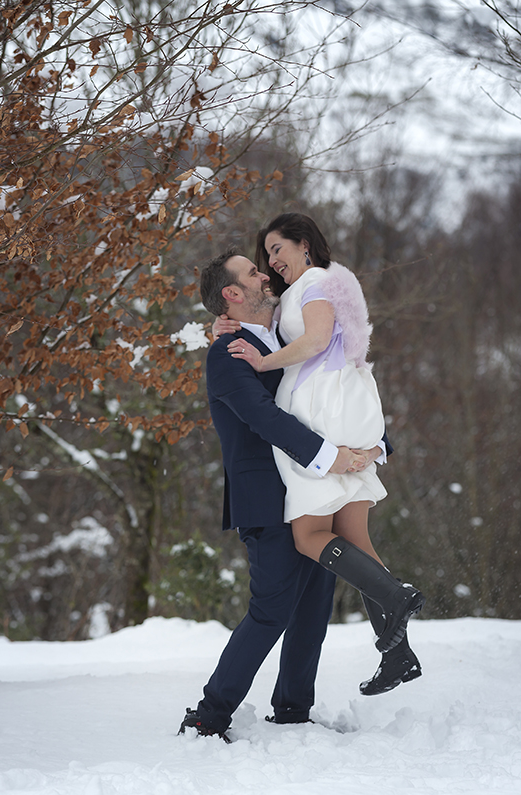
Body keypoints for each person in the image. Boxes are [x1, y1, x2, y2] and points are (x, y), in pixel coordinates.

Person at [216, 213, 423, 697]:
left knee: (309, 535)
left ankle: (398, 596)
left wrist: (263, 360)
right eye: (265, 255)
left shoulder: (317, 281)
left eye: (277, 248)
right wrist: (224, 321)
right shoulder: (318, 284)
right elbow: (275, 320)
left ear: (304, 244)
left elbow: (311, 340)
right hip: (342, 408)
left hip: (321, 414)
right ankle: (396, 654)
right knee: (355, 539)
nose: (272, 261)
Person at [179, 248, 378, 742]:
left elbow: (339, 391)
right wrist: (329, 456)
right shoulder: (226, 353)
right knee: (271, 609)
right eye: (253, 272)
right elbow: (264, 418)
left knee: (313, 609)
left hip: (312, 495)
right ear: (232, 295)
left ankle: (293, 709)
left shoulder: (291, 338)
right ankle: (208, 716)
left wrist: (376, 444)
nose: (265, 275)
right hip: (268, 499)